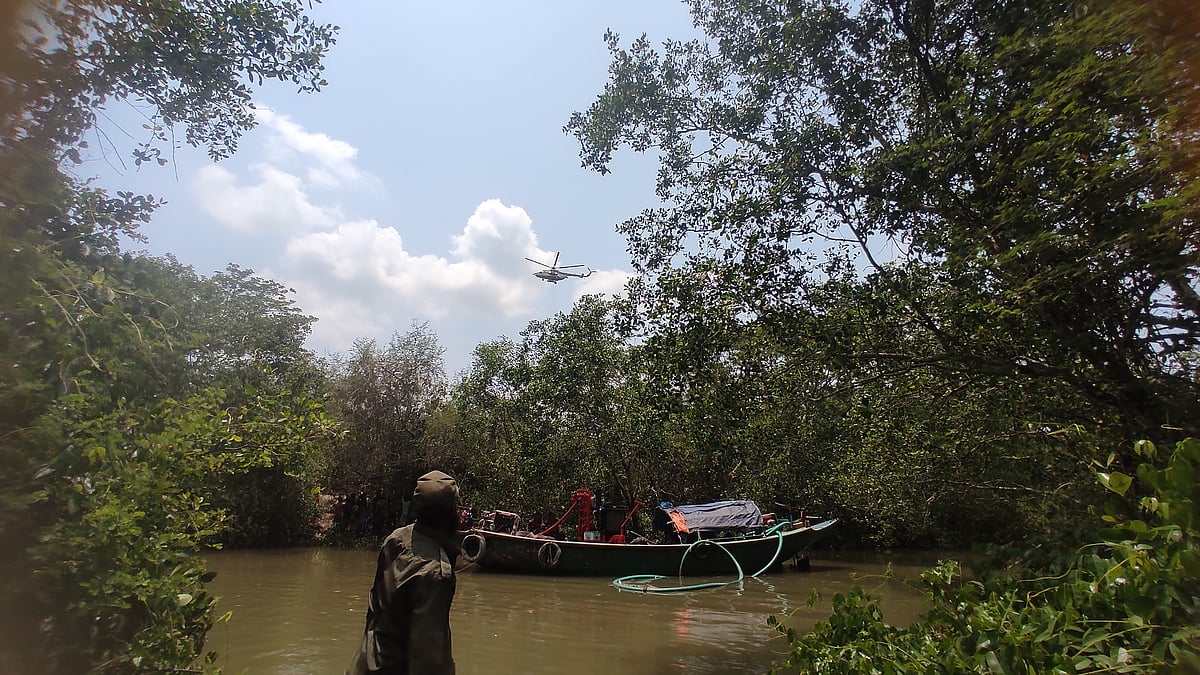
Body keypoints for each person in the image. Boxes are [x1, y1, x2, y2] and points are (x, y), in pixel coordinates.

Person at [346, 470, 461, 675]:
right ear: (454, 513)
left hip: (363, 664)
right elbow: (428, 659)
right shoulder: (434, 572)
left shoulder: (396, 539)